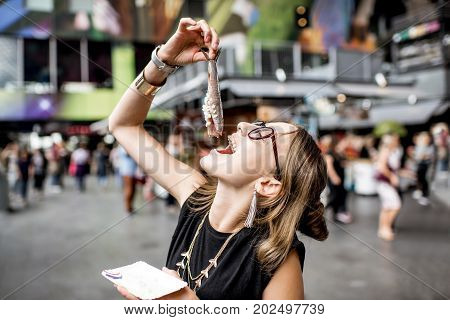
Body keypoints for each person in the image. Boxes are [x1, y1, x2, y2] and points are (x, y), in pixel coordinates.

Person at [109, 18, 328, 300]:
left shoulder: (277, 260)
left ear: (268, 184)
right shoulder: (196, 198)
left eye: (263, 134)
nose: (243, 127)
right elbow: (124, 125)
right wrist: (163, 61)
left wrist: (192, 307)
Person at [375, 134, 402, 241]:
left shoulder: (393, 151)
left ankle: (383, 229)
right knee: (396, 205)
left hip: (385, 183)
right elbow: (381, 167)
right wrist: (392, 177)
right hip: (384, 183)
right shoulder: (385, 151)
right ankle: (385, 227)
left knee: (387, 206)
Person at [320, 135, 352, 224]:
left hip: (341, 178)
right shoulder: (330, 153)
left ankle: (338, 213)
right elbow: (329, 168)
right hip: (335, 178)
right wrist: (334, 177)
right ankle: (328, 212)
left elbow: (340, 163)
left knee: (341, 195)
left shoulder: (338, 152)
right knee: (334, 196)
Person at [412, 132, 434, 206]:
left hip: (426, 165)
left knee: (425, 180)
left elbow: (427, 156)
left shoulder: (430, 146)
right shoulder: (420, 146)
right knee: (420, 179)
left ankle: (425, 196)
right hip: (420, 165)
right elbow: (417, 156)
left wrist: (422, 156)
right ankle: (420, 191)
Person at [117, 146, 138, 213]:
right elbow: (128, 154)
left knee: (133, 189)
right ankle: (127, 207)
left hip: (132, 171)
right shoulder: (123, 146)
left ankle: (130, 206)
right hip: (127, 171)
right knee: (129, 189)